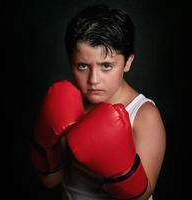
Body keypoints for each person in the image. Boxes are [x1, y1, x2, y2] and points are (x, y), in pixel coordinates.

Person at [30, 4, 166, 200]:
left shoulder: (143, 114)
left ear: (128, 62)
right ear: (71, 62)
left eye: (107, 66)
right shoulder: (66, 106)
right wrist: (44, 145)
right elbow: (50, 181)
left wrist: (120, 169)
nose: (94, 79)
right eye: (83, 66)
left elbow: (142, 196)